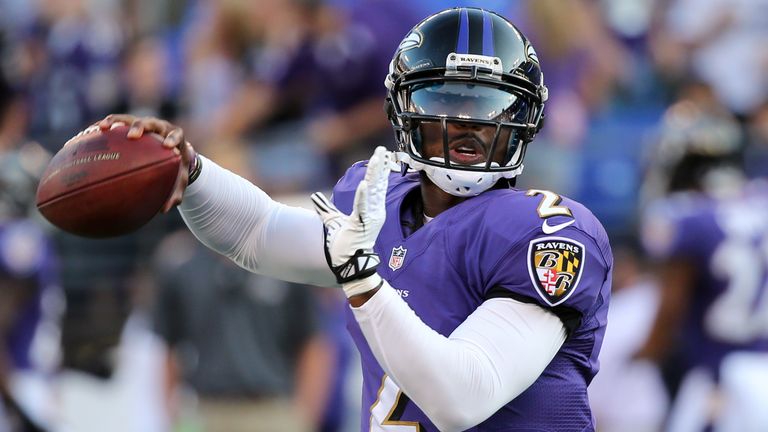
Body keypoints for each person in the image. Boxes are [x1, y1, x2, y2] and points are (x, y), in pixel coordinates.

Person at [97, 7, 613, 431]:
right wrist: (192, 172)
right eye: (443, 102)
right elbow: (258, 233)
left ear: (526, 119)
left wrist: (362, 280)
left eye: (490, 107)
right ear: (402, 111)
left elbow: (461, 397)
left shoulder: (549, 233)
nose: (466, 127)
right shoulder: (380, 203)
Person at [638, 95, 768, 431]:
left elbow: (670, 311)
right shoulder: (762, 202)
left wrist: (640, 359)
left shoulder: (689, 218)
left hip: (719, 383)